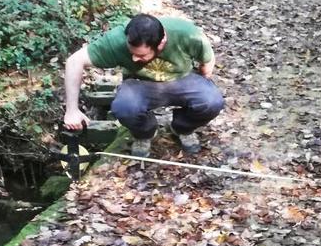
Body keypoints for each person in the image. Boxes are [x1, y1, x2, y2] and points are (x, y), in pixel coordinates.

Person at [63, 13, 224, 157]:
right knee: (123, 107)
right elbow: (74, 61)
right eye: (131, 52)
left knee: (212, 101)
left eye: (140, 55)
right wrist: (72, 110)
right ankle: (145, 132)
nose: (133, 59)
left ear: (161, 44)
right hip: (141, 84)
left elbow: (207, 62)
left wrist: (203, 83)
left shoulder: (187, 34)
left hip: (182, 79)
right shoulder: (117, 40)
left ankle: (182, 127)